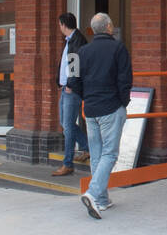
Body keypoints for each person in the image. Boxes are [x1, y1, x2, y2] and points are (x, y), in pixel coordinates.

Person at [77, 12, 132, 220]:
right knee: (110, 154)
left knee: (97, 155)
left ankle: (101, 199)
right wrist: (123, 102)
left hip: (90, 109)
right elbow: (125, 78)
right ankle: (92, 193)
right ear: (109, 27)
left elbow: (74, 80)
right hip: (111, 107)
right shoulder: (118, 48)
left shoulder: (82, 51)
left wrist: (86, 97)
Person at [52, 12, 91, 177]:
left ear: (63, 24)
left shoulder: (76, 41)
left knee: (67, 127)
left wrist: (70, 85)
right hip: (66, 88)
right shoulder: (70, 40)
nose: (59, 27)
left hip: (71, 90)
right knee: (65, 123)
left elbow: (75, 67)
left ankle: (67, 164)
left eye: (59, 24)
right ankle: (88, 147)